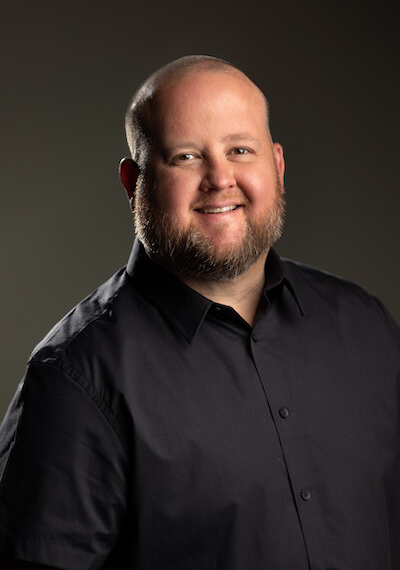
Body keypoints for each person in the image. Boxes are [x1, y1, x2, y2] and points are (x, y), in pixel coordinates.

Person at [0, 55, 399, 570]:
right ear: (133, 184)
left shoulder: (365, 327)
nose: (219, 178)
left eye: (240, 150)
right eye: (186, 156)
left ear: (277, 167)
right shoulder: (76, 380)